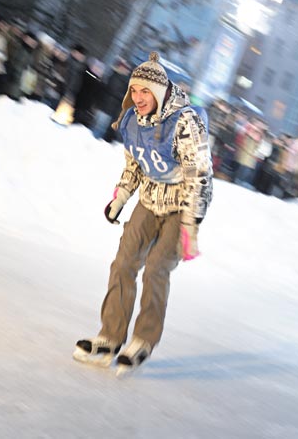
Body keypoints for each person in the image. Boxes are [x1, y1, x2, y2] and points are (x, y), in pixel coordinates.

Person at [73, 52, 213, 375]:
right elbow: (135, 164)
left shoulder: (185, 122)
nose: (138, 98)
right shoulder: (133, 120)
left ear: (160, 93)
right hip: (150, 198)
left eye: (145, 92)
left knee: (155, 269)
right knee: (123, 263)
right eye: (134, 91)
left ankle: (144, 339)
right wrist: (121, 198)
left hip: (182, 204)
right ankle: (110, 335)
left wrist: (191, 225)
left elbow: (200, 174)